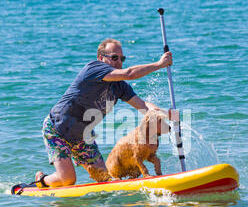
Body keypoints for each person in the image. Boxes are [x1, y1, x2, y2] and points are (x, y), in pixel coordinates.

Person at [35, 38, 175, 188]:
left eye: (122, 58)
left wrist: (165, 114)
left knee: (105, 179)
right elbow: (129, 73)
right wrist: (159, 64)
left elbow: (143, 106)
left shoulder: (120, 86)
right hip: (58, 129)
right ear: (101, 58)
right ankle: (42, 180)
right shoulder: (93, 68)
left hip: (83, 136)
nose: (119, 62)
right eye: (114, 57)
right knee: (68, 180)